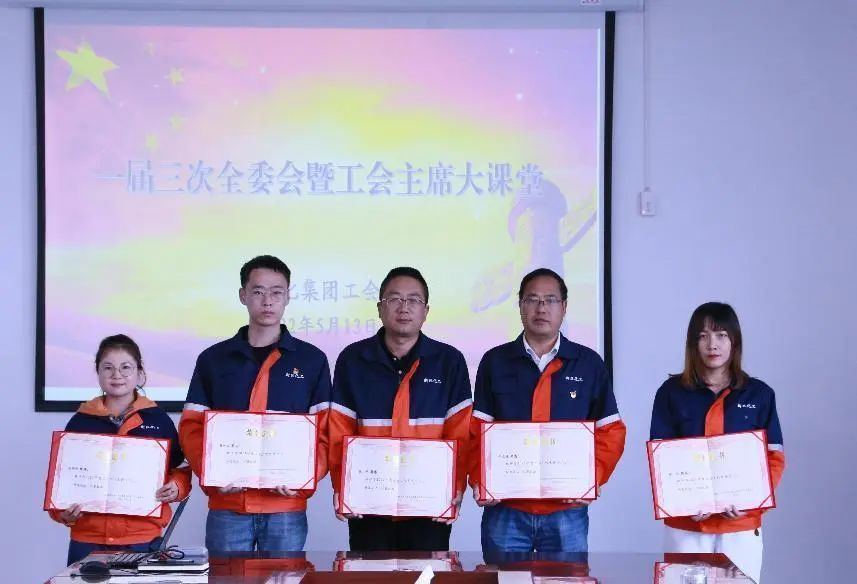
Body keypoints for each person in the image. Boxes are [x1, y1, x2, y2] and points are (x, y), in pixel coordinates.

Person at [179, 255, 331, 552]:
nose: (267, 301)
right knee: (227, 576)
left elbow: (325, 430)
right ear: (243, 295)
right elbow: (192, 428)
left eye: (276, 292)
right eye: (258, 291)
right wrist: (212, 475)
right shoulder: (213, 359)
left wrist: (304, 477)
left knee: (285, 575)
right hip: (228, 505)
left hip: (285, 507)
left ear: (288, 296)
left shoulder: (311, 360)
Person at [469, 268, 626, 553]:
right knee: (502, 576)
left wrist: (592, 476)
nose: (541, 308)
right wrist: (481, 478)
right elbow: (475, 431)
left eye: (550, 300)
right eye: (532, 299)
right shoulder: (495, 361)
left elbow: (610, 430)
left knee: (565, 576)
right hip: (506, 509)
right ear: (520, 305)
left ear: (564, 307)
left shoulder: (588, 363)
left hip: (566, 511)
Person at [328, 267, 472, 551]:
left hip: (429, 505)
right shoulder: (354, 360)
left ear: (426, 311)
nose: (404, 307)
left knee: (425, 572)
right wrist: (343, 485)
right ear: (380, 308)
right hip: (368, 503)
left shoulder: (448, 361)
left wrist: (454, 487)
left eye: (414, 300)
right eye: (394, 299)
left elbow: (461, 432)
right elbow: (338, 430)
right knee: (370, 573)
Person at [650, 302, 785, 583]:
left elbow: (774, 458)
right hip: (686, 526)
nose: (712, 344)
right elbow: (661, 460)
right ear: (692, 343)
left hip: (740, 526)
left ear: (734, 341)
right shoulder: (671, 393)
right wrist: (683, 502)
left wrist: (751, 503)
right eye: (703, 336)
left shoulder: (759, 394)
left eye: (721, 335)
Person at [48, 334, 191, 566]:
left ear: (139, 373)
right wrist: (62, 513)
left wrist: (177, 486)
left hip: (142, 538)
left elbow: (181, 467)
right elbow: (60, 480)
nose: (117, 375)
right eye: (108, 367)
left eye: (126, 367)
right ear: (98, 372)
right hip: (87, 540)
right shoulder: (80, 422)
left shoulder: (158, 420)